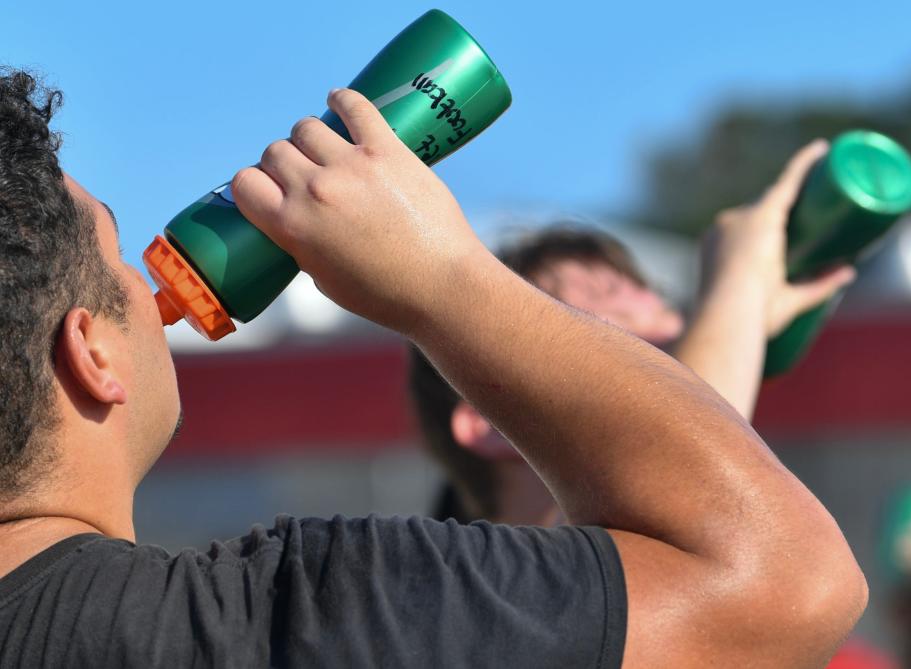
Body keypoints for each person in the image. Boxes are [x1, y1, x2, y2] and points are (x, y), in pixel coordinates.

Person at [0, 68, 866, 667]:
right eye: (117, 255)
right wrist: (441, 275)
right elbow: (785, 588)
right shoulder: (284, 621)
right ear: (93, 351)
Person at [410, 161, 855, 526]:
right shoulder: (508, 604)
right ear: (490, 419)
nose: (677, 366)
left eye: (673, 336)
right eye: (617, 329)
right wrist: (738, 284)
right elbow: (685, 475)